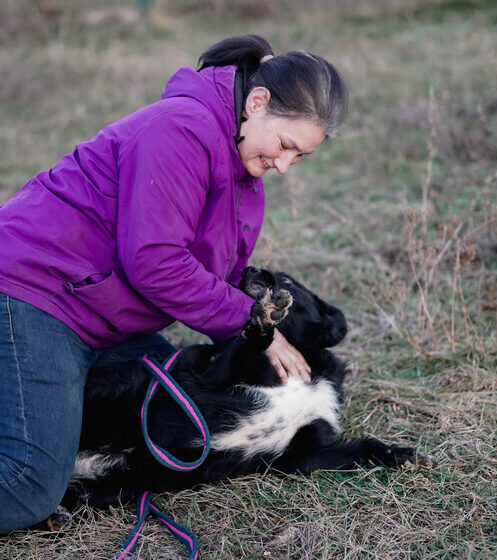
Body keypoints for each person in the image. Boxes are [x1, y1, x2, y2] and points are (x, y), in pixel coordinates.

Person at [0, 34, 347, 532]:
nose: (286, 166)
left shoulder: (243, 165)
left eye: (301, 157)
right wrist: (249, 324)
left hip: (98, 314)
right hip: (35, 293)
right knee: (29, 485)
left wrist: (257, 326)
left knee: (179, 408)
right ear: (257, 102)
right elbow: (156, 263)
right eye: (286, 145)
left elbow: (216, 272)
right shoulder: (181, 130)